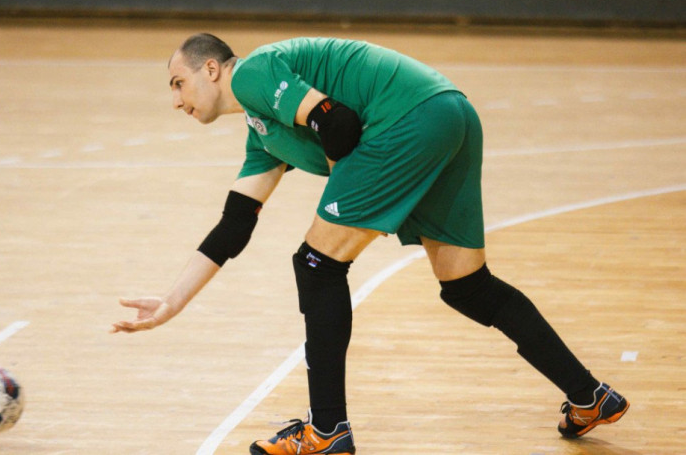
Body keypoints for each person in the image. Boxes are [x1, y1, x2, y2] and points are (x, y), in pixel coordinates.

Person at [111, 34, 629, 454]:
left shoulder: (253, 73)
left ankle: (326, 430)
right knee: (468, 287)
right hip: (449, 112)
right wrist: (173, 301)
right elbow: (234, 225)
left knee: (316, 265)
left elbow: (338, 123)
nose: (175, 100)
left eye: (178, 83)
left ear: (212, 69)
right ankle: (590, 396)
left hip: (407, 118)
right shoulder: (262, 130)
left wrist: (345, 186)